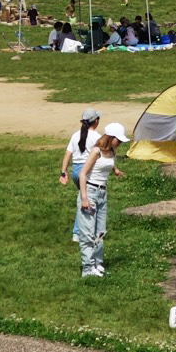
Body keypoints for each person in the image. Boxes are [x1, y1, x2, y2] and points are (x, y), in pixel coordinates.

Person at [75, 121, 128, 278]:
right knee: (87, 232)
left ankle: (97, 263)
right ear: (110, 137)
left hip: (102, 193)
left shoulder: (111, 152)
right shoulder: (96, 151)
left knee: (100, 231)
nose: (119, 144)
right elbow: (82, 174)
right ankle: (87, 268)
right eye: (118, 140)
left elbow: (108, 164)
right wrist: (84, 198)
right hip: (90, 191)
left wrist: (116, 170)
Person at [60, 107, 102, 237]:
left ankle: (83, 230)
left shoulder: (75, 135)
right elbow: (103, 155)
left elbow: (68, 153)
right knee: (87, 201)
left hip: (75, 171)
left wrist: (63, 171)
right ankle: (79, 233)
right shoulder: (97, 137)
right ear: (96, 121)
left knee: (83, 198)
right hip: (88, 172)